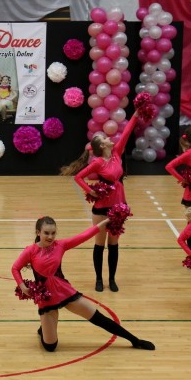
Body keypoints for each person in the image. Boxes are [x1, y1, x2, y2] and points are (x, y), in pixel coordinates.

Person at [12, 216, 155, 352]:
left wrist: (105, 222)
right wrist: (22, 286)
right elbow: (15, 268)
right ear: (38, 232)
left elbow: (84, 235)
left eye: (53, 233)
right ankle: (43, 328)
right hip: (46, 298)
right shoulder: (30, 251)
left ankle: (135, 340)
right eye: (46, 233)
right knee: (51, 347)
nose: (50, 237)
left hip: (64, 291)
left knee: (98, 317)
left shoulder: (61, 245)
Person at [60, 112, 139, 293]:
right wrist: (91, 191)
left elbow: (126, 131)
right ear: (102, 145)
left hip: (119, 206)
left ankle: (111, 279)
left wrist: (136, 114)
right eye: (104, 138)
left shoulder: (117, 153)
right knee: (99, 244)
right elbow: (79, 178)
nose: (108, 137)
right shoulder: (97, 163)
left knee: (114, 245)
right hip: (102, 208)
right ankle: (98, 279)